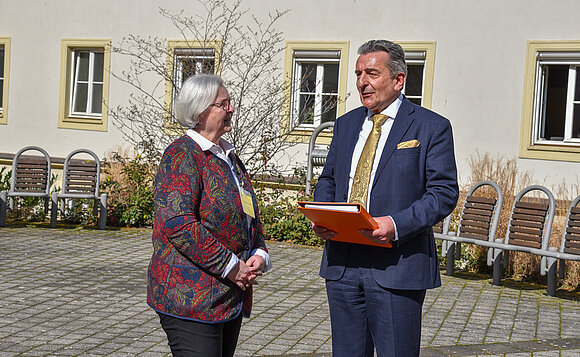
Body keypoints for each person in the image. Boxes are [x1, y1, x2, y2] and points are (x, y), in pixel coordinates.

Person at [312, 40, 459, 356]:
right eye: (358, 74)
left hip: (397, 265)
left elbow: (443, 193)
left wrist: (395, 224)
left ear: (399, 79)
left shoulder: (431, 126)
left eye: (372, 73)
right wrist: (324, 214)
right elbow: (328, 180)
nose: (362, 82)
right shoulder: (346, 124)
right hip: (342, 263)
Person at [147, 74, 271, 357]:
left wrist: (259, 253)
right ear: (201, 111)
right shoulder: (182, 155)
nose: (231, 109)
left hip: (227, 297)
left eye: (230, 103)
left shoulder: (227, 155)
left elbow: (248, 212)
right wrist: (231, 265)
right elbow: (178, 224)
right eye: (223, 104)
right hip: (189, 297)